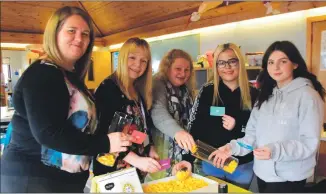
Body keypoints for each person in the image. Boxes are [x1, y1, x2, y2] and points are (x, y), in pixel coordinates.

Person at [0, 6, 132, 193]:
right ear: (54, 34)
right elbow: (49, 133)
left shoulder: (68, 76)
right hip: (33, 179)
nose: (79, 38)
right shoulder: (43, 72)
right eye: (71, 31)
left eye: (85, 34)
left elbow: (78, 128)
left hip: (59, 181)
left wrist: (112, 139)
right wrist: (105, 143)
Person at [209, 40, 326, 193]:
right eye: (271, 62)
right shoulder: (265, 96)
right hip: (263, 173)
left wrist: (275, 150)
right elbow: (251, 137)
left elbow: (309, 143)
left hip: (289, 177)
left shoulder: (307, 96)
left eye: (282, 61)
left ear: (295, 64)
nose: (275, 67)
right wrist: (232, 148)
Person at [188, 43, 258, 189]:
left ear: (240, 63)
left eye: (232, 61)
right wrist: (187, 159)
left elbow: (259, 129)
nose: (227, 67)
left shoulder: (254, 93)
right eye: (221, 62)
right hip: (211, 161)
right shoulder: (207, 91)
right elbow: (195, 125)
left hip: (242, 164)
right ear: (216, 66)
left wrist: (238, 124)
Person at [93, 37, 161, 183]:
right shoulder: (108, 88)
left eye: (144, 61)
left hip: (135, 171)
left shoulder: (138, 89)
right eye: (132, 58)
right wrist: (136, 159)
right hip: (113, 172)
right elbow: (102, 134)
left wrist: (151, 147)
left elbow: (143, 126)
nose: (138, 65)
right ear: (123, 58)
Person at [150, 49, 196, 179]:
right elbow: (158, 111)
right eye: (178, 69)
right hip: (161, 149)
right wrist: (178, 132)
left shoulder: (185, 89)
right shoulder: (157, 83)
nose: (183, 73)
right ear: (167, 68)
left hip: (182, 152)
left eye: (187, 70)